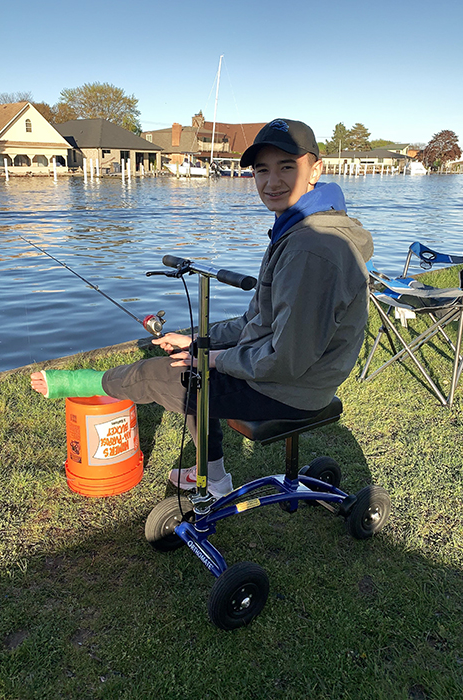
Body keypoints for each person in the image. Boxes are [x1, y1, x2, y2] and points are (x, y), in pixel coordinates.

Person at [31, 118, 373, 498]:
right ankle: (212, 474)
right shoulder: (298, 227)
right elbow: (254, 323)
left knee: (162, 375)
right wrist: (196, 341)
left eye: (287, 167)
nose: (272, 181)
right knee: (188, 361)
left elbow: (289, 359)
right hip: (288, 374)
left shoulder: (311, 247)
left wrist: (214, 360)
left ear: (315, 170)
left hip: (292, 388)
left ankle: (85, 384)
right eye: (263, 170)